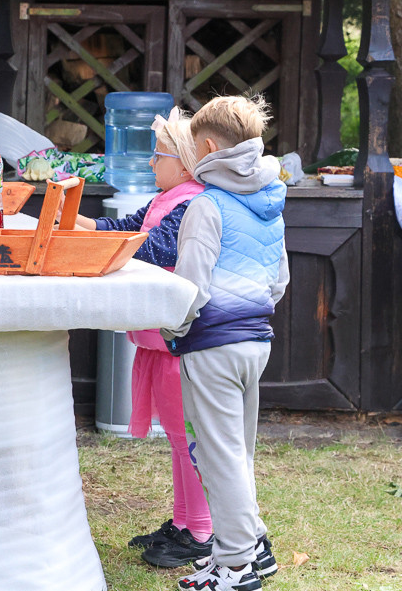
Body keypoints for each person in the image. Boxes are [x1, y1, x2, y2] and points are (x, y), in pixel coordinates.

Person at [74, 108, 213, 568]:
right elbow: (124, 229)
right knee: (177, 438)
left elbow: (150, 249)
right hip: (157, 340)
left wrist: (97, 242)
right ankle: (183, 521)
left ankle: (202, 532)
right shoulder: (166, 197)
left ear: (187, 162)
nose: (151, 163)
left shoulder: (192, 203)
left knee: (188, 441)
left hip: (178, 341)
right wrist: (78, 225)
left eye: (159, 155)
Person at [161, 94, 289, 591]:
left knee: (219, 456)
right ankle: (251, 548)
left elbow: (190, 288)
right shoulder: (270, 203)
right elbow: (278, 282)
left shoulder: (206, 205)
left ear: (209, 146)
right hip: (256, 340)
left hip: (211, 343)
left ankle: (236, 566)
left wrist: (174, 329)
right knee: (236, 452)